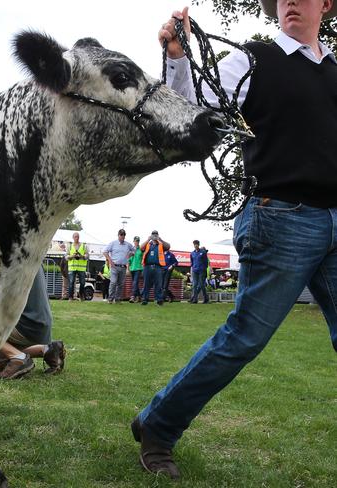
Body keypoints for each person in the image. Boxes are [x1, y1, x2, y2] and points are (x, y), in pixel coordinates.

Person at [132, 0, 337, 479]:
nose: (289, 0)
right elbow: (190, 110)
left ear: (325, 5)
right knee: (244, 338)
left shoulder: (335, 72)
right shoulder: (252, 58)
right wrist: (179, 56)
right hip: (280, 217)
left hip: (335, 219)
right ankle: (159, 425)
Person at [0, 270, 66, 379]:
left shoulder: (6, 258)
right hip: (39, 325)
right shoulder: (32, 257)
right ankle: (47, 349)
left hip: (25, 324)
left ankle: (18, 358)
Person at [103, 229, 135, 303]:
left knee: (120, 284)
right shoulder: (113, 243)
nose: (122, 237)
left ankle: (117, 299)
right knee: (113, 282)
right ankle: (110, 299)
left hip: (123, 267)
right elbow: (104, 251)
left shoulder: (128, 244)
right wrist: (110, 261)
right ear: (118, 235)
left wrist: (131, 254)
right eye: (121, 235)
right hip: (114, 266)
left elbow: (134, 250)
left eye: (123, 235)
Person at [139, 231, 170, 306]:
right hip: (147, 266)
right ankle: (144, 299)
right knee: (146, 284)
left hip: (158, 267)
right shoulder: (148, 244)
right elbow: (140, 248)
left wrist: (160, 239)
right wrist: (148, 239)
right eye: (153, 235)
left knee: (158, 284)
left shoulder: (161, 244)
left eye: (156, 234)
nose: (154, 236)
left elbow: (168, 246)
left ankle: (159, 299)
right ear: (151, 235)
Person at [67, 232, 88, 301]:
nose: (77, 238)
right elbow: (66, 257)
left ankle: (81, 295)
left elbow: (87, 256)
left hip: (81, 268)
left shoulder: (84, 246)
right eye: (75, 237)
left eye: (78, 236)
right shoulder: (69, 246)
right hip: (72, 267)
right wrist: (72, 256)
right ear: (73, 237)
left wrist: (81, 256)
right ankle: (70, 297)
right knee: (71, 282)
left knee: (82, 283)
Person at [128, 236, 144, 303]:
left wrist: (143, 268)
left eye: (137, 241)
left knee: (135, 282)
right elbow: (129, 260)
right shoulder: (131, 250)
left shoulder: (141, 249)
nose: (136, 242)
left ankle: (133, 296)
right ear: (133, 241)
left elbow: (143, 259)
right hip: (132, 268)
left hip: (139, 268)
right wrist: (128, 268)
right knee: (135, 284)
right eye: (135, 241)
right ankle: (139, 297)